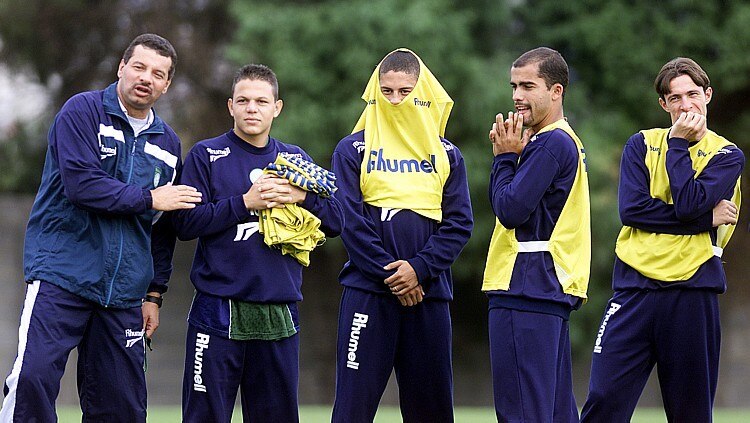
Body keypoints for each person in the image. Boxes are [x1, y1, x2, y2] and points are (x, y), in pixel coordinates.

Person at [0, 33, 201, 422]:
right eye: (139, 67)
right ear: (122, 67)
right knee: (34, 379)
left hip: (125, 293)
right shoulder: (82, 112)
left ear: (167, 85)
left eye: (158, 74)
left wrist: (154, 293)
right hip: (62, 275)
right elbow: (83, 186)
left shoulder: (169, 144)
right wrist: (149, 198)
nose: (146, 78)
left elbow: (161, 229)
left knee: (122, 407)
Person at [173, 64, 344, 423]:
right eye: (244, 100)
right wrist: (244, 203)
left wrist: (302, 196)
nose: (252, 108)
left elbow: (336, 222)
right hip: (218, 308)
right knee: (204, 416)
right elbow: (185, 224)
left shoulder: (294, 160)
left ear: (276, 108)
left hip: (278, 310)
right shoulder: (206, 155)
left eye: (261, 101)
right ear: (230, 106)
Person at [581, 58, 744, 422]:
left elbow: (686, 204)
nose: (685, 105)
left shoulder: (728, 154)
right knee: (603, 400)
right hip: (634, 291)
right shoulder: (640, 144)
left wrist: (678, 147)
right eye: (675, 98)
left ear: (708, 95)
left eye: (692, 95)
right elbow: (633, 212)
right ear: (664, 105)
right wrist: (706, 218)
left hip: (692, 294)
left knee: (690, 412)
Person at [331, 49, 473, 422]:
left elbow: (459, 223)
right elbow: (351, 219)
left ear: (421, 93)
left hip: (429, 297)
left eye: (404, 92)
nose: (395, 101)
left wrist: (419, 269)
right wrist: (394, 275)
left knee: (432, 411)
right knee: (352, 409)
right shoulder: (352, 149)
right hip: (368, 295)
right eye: (387, 91)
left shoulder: (448, 155)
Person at [482, 47, 591, 422]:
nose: (517, 96)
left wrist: (503, 159)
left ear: (556, 91)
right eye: (514, 86)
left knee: (522, 412)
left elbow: (510, 209)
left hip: (526, 287)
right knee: (556, 411)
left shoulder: (550, 143)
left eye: (528, 86)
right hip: (547, 288)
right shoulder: (564, 139)